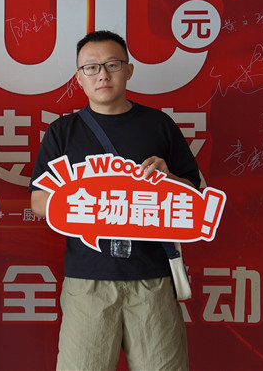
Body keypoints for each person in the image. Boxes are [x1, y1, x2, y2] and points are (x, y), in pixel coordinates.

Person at [29, 30, 199, 370]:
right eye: (91, 67)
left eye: (112, 64)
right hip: (87, 281)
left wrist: (168, 181)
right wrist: (88, 204)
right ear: (79, 77)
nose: (102, 75)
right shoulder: (63, 131)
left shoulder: (159, 125)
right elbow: (38, 200)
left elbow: (194, 196)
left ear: (129, 69)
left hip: (151, 278)